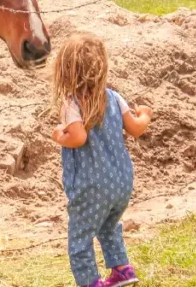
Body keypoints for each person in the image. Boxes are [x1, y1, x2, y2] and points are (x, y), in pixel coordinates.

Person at [51, 33, 152, 287]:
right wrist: (145, 115)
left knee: (80, 239)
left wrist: (59, 136)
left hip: (92, 185)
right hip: (121, 182)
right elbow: (136, 128)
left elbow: (78, 137)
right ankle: (122, 270)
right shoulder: (115, 98)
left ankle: (89, 282)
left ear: (65, 71)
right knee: (108, 225)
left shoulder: (71, 103)